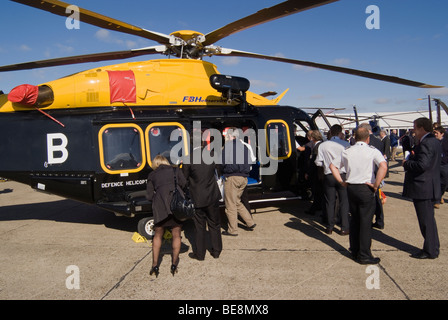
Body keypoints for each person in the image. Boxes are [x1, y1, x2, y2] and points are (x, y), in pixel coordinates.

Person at [330, 126, 387, 264]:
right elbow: (383, 166)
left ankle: (354, 250)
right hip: (365, 188)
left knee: (355, 220)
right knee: (365, 222)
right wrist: (375, 184)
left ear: (354, 137)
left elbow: (333, 166)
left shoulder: (347, 150)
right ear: (368, 138)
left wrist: (341, 181)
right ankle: (364, 254)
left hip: (351, 187)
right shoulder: (372, 150)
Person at [402, 118, 440, 259]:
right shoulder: (434, 141)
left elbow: (422, 165)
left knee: (426, 221)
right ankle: (433, 247)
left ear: (422, 128)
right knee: (429, 220)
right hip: (429, 185)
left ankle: (430, 250)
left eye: (415, 128)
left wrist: (407, 163)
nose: (414, 131)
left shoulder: (426, 143)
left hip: (423, 187)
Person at [146, 155, 186, 276]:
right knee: (176, 234)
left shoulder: (152, 175)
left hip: (160, 206)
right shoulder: (175, 170)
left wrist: (158, 197)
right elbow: (184, 184)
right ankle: (174, 265)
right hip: (176, 205)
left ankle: (155, 266)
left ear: (155, 164)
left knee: (158, 235)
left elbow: (148, 196)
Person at [182, 144, 223, 260]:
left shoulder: (188, 158)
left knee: (199, 226)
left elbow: (184, 180)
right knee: (214, 224)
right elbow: (219, 171)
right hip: (212, 195)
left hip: (197, 197)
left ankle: (200, 254)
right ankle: (216, 251)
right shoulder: (212, 155)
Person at [314, 124, 350, 235]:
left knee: (329, 201)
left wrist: (326, 165)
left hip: (328, 175)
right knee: (344, 201)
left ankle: (329, 226)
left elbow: (318, 161)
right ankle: (344, 227)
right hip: (342, 174)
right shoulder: (345, 144)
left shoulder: (323, 145)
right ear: (340, 133)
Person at [221, 127, 256, 236]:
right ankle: (250, 222)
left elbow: (222, 162)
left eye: (227, 135)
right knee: (237, 201)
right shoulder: (244, 147)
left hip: (232, 178)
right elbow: (251, 161)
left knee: (230, 205)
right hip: (244, 178)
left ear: (232, 136)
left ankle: (233, 230)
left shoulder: (228, 147)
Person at [359, 123, 385, 230]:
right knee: (377, 198)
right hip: (377, 172)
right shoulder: (379, 141)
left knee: (367, 200)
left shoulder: (363, 141)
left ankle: (367, 220)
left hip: (366, 173)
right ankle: (380, 220)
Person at [433, 126, 448, 209]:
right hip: (435, 165)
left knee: (444, 182)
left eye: (437, 133)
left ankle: (440, 195)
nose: (435, 134)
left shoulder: (446, 142)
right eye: (434, 133)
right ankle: (436, 200)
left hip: (444, 165)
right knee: (436, 183)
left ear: (442, 134)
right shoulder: (433, 142)